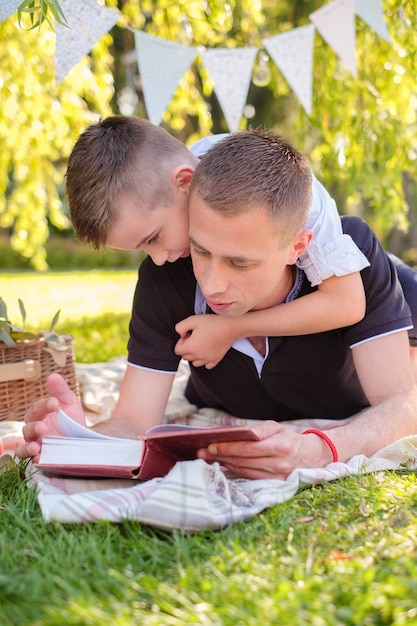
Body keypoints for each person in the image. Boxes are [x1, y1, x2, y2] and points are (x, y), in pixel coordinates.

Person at [16, 128, 417, 480]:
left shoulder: (342, 251)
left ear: (297, 247)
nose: (212, 283)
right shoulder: (167, 272)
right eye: (200, 250)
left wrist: (315, 449)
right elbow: (133, 422)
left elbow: (402, 405)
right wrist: (80, 437)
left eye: (240, 262)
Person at [65, 115, 369, 370]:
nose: (157, 259)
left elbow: (346, 302)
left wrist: (234, 328)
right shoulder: (166, 181)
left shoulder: (288, 198)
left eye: (154, 238)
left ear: (185, 182)